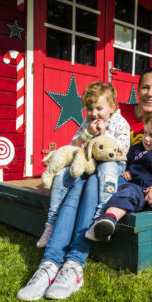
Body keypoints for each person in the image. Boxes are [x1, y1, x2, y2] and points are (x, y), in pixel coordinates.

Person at [16, 67, 152, 301]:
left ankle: (74, 265)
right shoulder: (115, 108)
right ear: (137, 90)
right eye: (145, 87)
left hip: (117, 175)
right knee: (76, 183)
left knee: (89, 186)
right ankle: (49, 264)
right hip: (91, 167)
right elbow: (79, 139)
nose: (150, 93)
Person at [86, 109, 152, 279]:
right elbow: (125, 162)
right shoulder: (136, 150)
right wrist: (126, 171)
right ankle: (109, 219)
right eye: (145, 133)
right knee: (127, 190)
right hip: (136, 189)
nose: (146, 138)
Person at [36, 82, 130, 248]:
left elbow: (121, 149)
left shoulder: (120, 123)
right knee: (62, 174)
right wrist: (88, 134)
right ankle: (51, 223)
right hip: (88, 163)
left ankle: (100, 218)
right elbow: (75, 143)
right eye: (90, 109)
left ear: (112, 107)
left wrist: (102, 135)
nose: (94, 114)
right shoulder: (88, 121)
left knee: (106, 169)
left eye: (99, 108)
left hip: (112, 164)